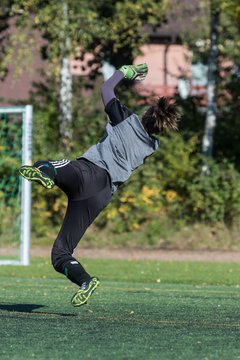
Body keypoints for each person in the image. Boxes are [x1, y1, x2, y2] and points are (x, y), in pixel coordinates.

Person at [19, 64, 181, 307]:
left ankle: (48, 176)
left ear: (147, 112)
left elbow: (106, 89)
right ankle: (85, 281)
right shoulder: (151, 147)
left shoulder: (126, 119)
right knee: (60, 253)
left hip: (88, 172)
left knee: (46, 164)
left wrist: (124, 72)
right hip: (101, 194)